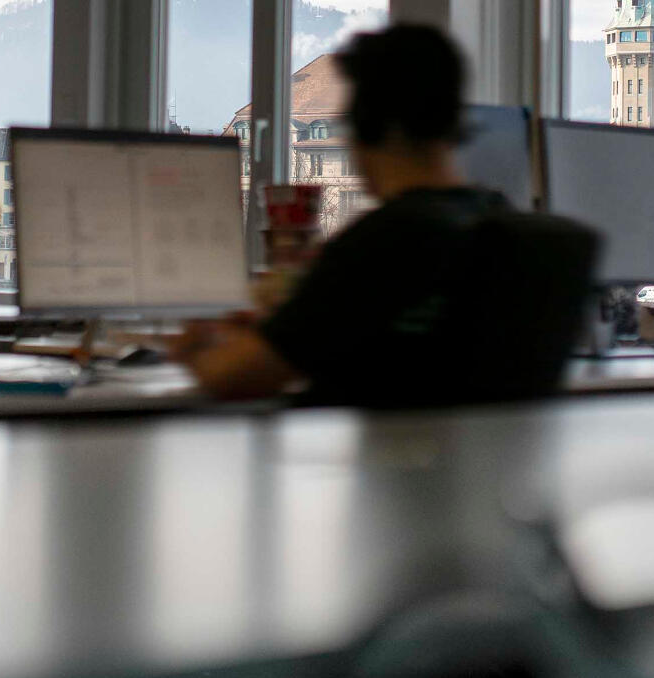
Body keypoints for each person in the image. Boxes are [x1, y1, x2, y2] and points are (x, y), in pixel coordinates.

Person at [172, 23, 505, 405]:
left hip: (378, 460)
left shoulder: (383, 242)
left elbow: (233, 376)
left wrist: (192, 346)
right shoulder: (505, 226)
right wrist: (294, 323)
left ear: (368, 125)